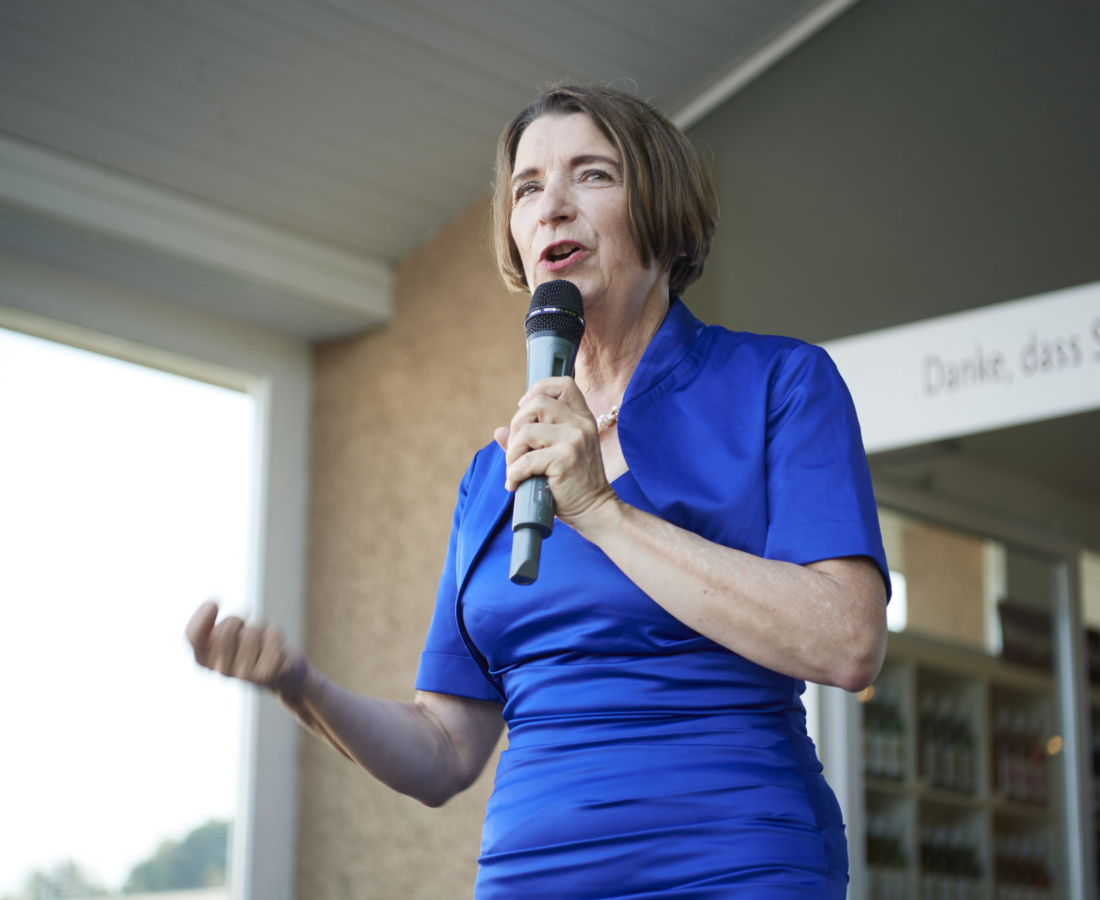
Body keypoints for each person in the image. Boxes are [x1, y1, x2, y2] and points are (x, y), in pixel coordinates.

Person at [187, 84, 889, 898]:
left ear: (662, 211)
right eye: (527, 188)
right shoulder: (493, 474)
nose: (551, 205)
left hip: (732, 864)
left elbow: (848, 641)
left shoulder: (779, 384)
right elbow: (444, 748)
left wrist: (601, 513)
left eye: (592, 174)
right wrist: (302, 688)